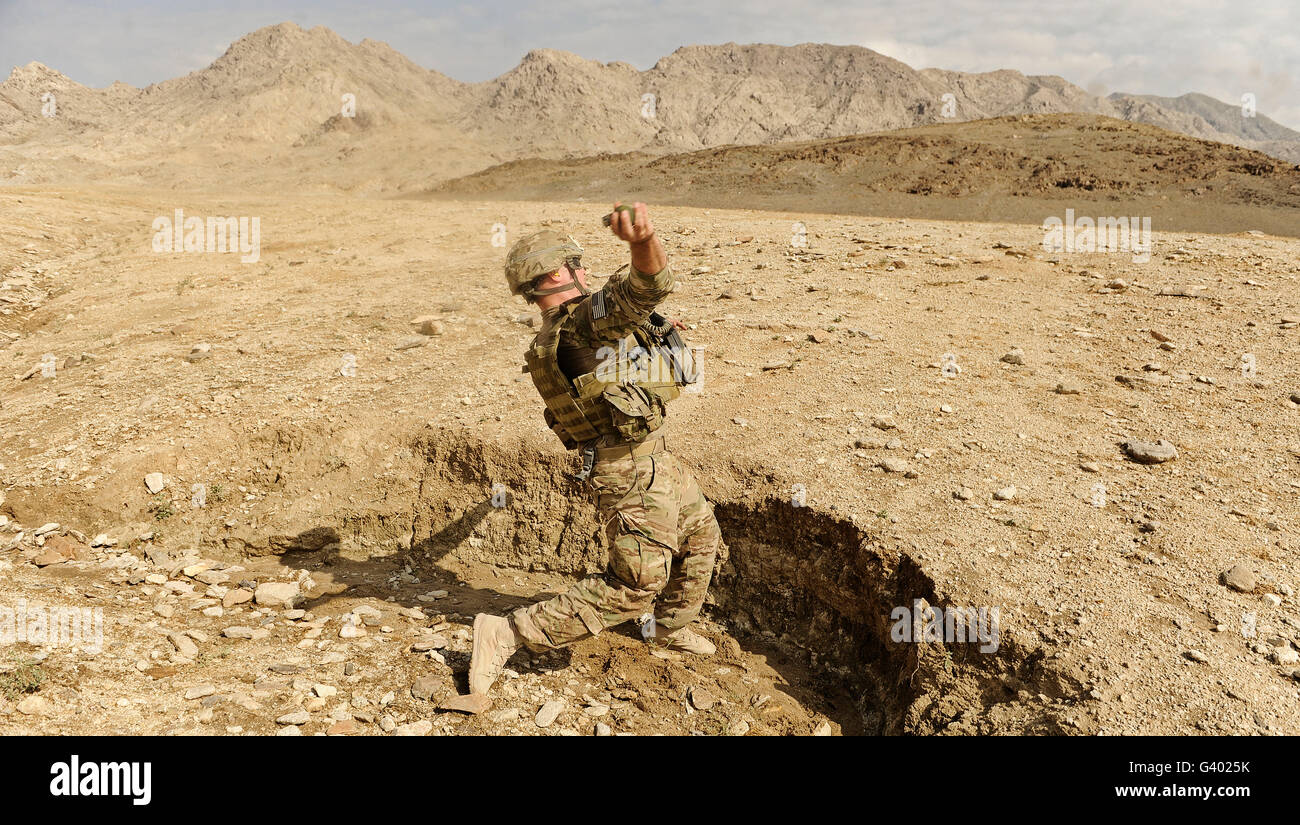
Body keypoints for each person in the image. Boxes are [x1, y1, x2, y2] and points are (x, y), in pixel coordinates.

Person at [466, 202, 726, 697]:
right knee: (634, 585)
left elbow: (629, 336)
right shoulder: (580, 325)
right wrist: (641, 240)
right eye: (576, 264)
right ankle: (508, 633)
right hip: (627, 469)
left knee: (700, 534)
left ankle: (666, 630)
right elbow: (649, 285)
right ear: (553, 274)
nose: (584, 272)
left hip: (653, 458)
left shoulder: (569, 331)